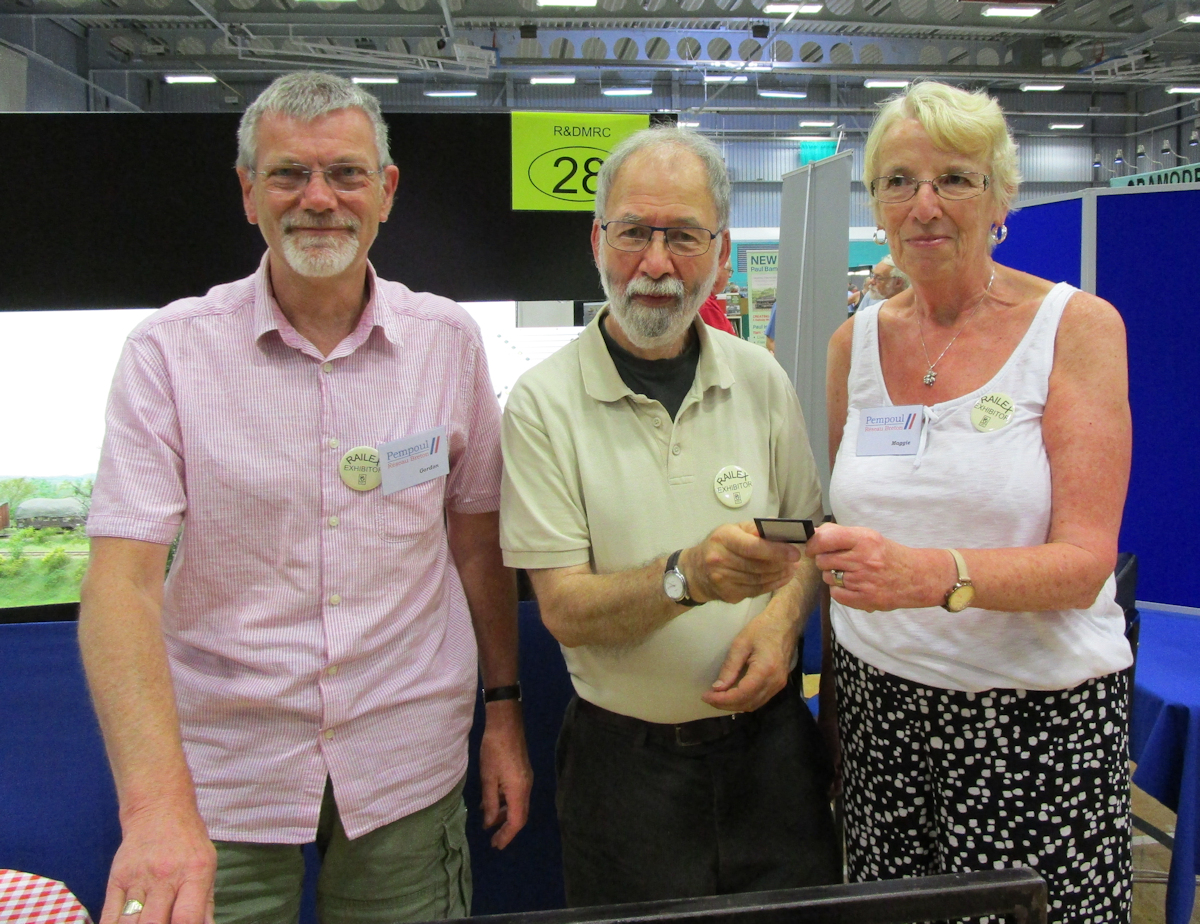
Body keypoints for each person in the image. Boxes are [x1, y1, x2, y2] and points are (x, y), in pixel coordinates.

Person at [80, 72, 532, 924]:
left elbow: (477, 544)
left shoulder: (449, 344)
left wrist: (503, 713)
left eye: (346, 173)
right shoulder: (168, 354)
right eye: (289, 173)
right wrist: (154, 808)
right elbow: (121, 585)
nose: (318, 199)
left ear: (386, 191)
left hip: (404, 762)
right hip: (224, 775)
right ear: (248, 192)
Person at [806, 80, 1134, 923]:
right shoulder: (854, 344)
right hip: (879, 711)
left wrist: (930, 575)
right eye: (899, 181)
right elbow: (849, 525)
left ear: (1000, 198)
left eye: (954, 178)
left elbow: (1085, 563)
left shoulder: (1076, 328)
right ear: (877, 204)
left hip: (1030, 723)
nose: (924, 206)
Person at [500, 126, 840, 907]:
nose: (656, 264)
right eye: (634, 234)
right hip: (626, 777)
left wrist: (779, 626)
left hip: (773, 762)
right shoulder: (543, 405)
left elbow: (808, 538)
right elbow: (565, 610)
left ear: (721, 253)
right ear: (598, 242)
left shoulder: (760, 379)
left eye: (684, 236)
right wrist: (687, 577)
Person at [697, 259, 737, 335]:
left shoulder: (707, 301)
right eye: (729, 271)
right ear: (717, 271)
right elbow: (722, 340)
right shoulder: (707, 306)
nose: (730, 276)